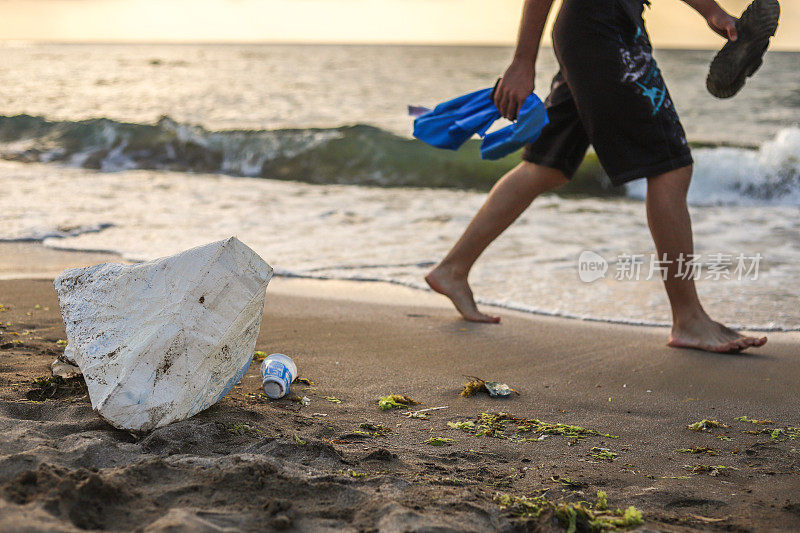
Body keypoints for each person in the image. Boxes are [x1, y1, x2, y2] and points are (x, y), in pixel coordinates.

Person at [425, 0, 768, 353]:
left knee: (548, 166)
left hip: (600, 29)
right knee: (670, 165)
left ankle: (452, 269)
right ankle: (689, 319)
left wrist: (710, 11)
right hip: (602, 30)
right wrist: (522, 61)